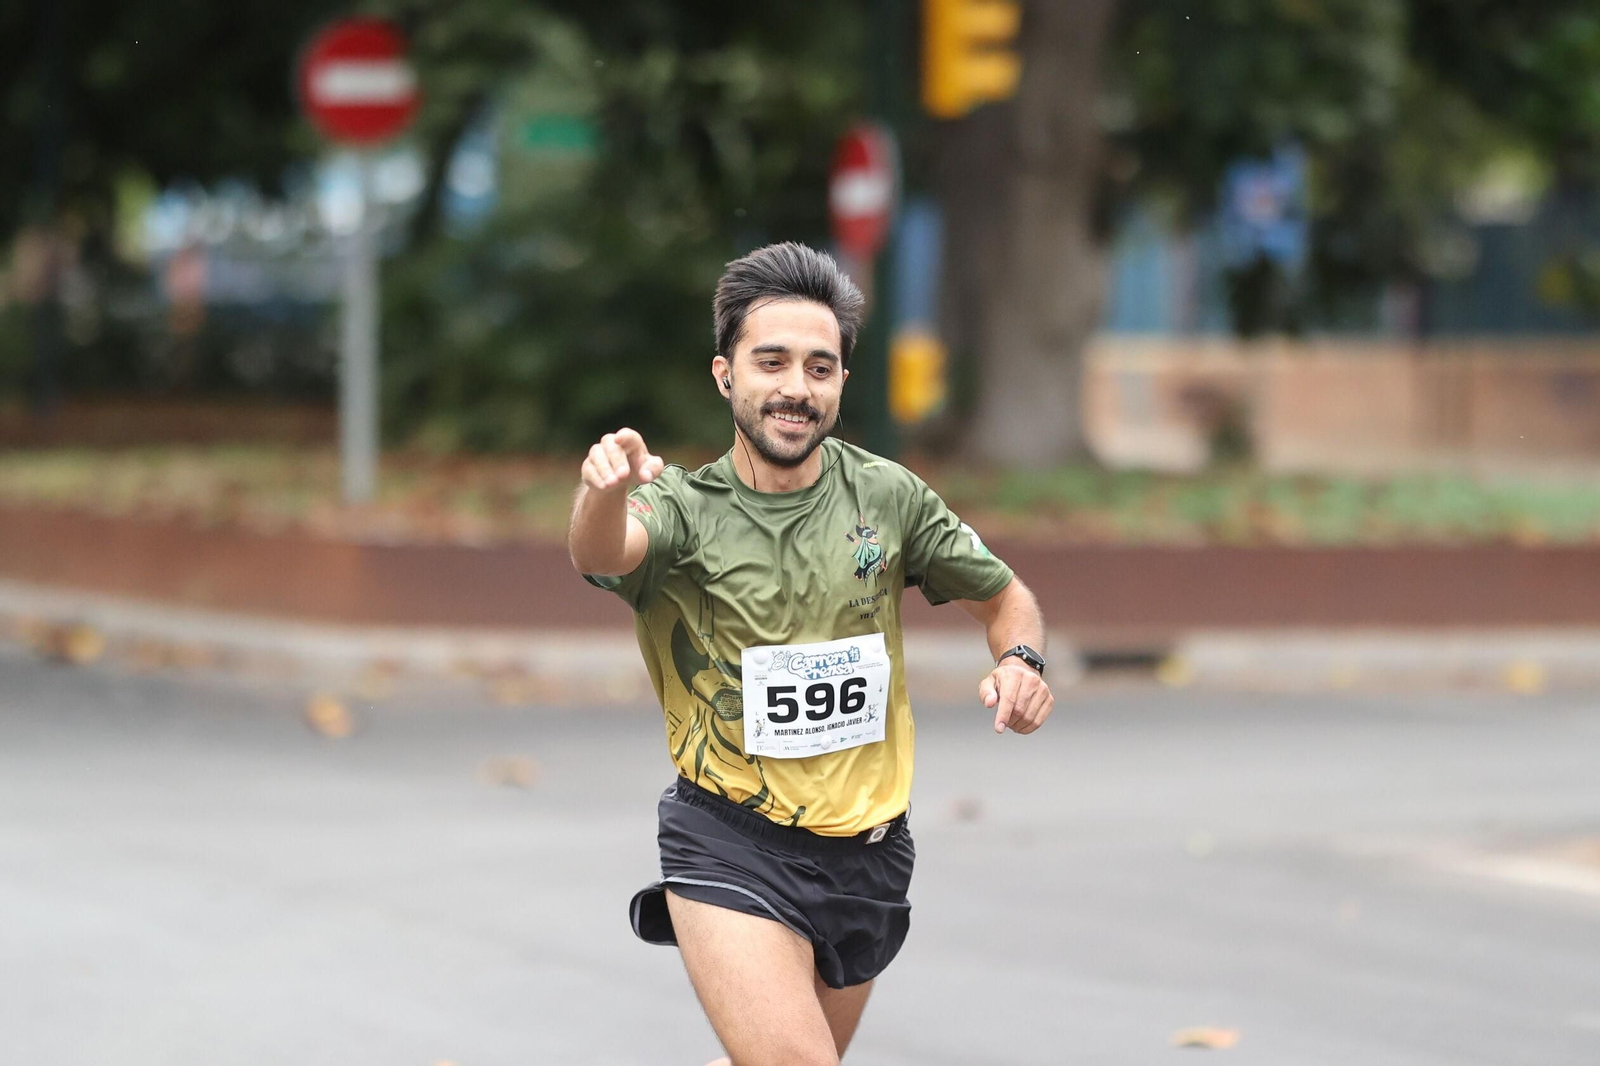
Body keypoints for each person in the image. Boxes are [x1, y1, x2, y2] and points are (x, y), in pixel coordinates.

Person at [569, 242, 1054, 1066]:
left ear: (841, 385)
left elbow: (1006, 599)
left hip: (869, 851)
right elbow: (604, 551)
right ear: (726, 376)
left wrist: (1022, 663)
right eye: (772, 362)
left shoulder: (887, 497)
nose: (796, 387)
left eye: (820, 367)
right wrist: (601, 491)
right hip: (729, 838)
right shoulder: (683, 507)